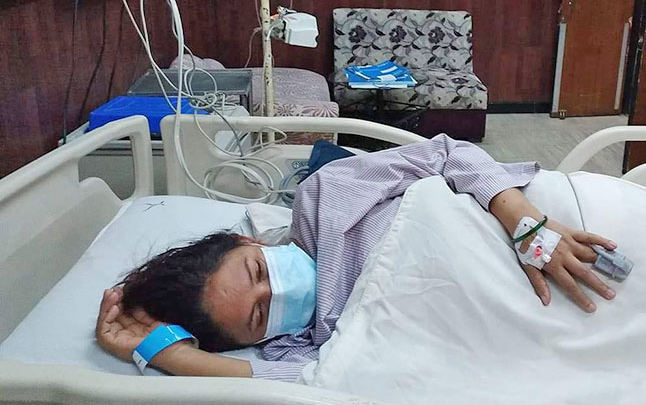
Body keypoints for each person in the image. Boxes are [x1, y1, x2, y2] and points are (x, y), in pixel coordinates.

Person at [96, 135, 618, 381]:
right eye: (260, 313)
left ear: (249, 243)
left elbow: (445, 155)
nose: (276, 290)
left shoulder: (325, 196)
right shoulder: (301, 350)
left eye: (257, 272)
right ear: (257, 340)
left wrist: (527, 225)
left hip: (546, 222)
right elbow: (323, 386)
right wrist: (171, 356)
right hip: (532, 322)